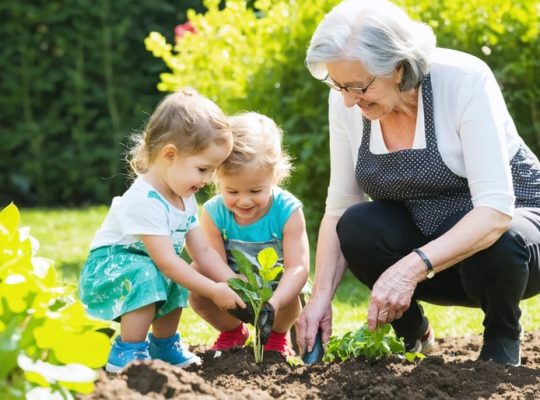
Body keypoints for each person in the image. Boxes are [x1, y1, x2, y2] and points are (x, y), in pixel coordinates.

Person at [295, 0, 540, 367]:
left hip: (509, 252)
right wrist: (320, 298)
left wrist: (411, 266)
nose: (347, 100)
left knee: (498, 242)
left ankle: (502, 336)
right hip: (430, 252)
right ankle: (412, 334)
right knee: (357, 226)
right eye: (338, 85)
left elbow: (494, 210)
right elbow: (340, 206)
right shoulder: (348, 98)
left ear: (397, 67)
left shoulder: (463, 80)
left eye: (358, 87)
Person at [79, 88, 247, 373]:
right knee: (154, 272)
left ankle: (164, 343)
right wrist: (213, 290)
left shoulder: (185, 197)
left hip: (147, 268)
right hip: (109, 271)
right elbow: (166, 263)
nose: (207, 180)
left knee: (180, 276)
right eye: (203, 169)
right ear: (170, 154)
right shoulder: (145, 200)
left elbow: (203, 251)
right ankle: (127, 350)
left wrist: (230, 281)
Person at [189, 112, 310, 355]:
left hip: (278, 290)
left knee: (290, 289)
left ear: (274, 176)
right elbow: (212, 261)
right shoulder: (214, 212)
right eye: (232, 191)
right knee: (197, 277)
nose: (244, 201)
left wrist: (273, 304)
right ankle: (232, 331)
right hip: (232, 286)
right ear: (217, 179)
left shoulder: (287, 210)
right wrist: (237, 284)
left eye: (255, 190)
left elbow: (298, 267)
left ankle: (277, 336)